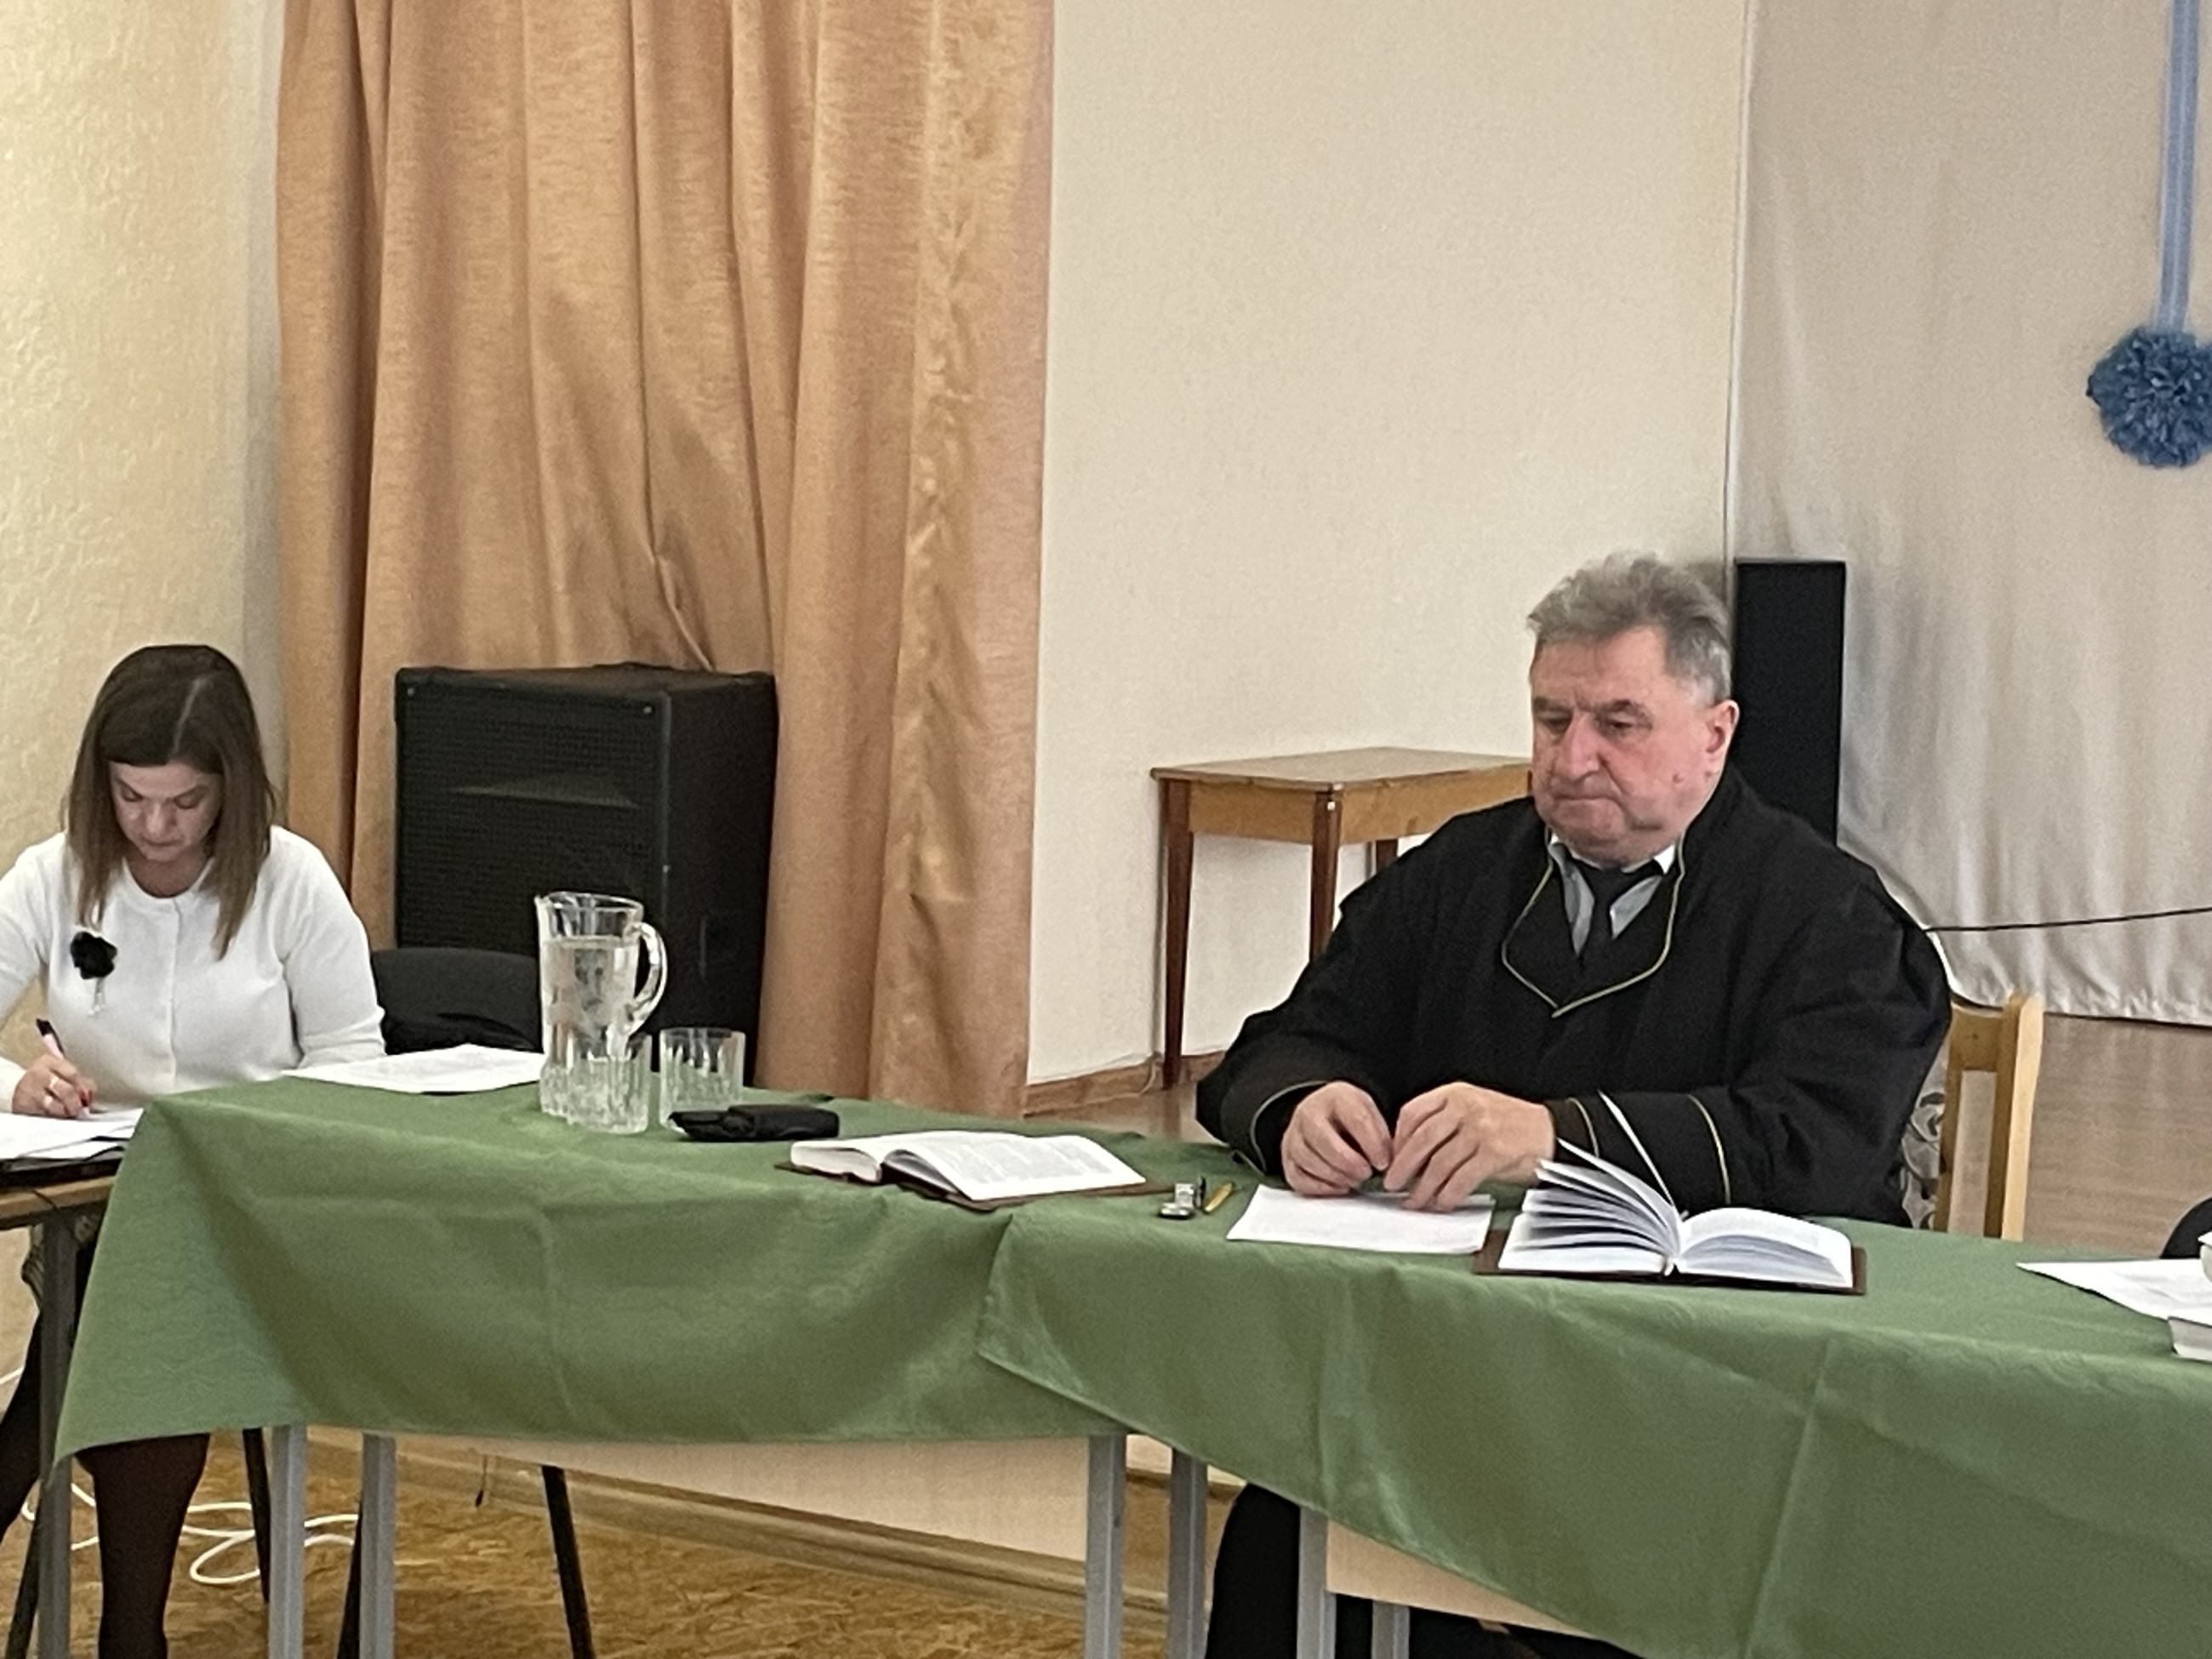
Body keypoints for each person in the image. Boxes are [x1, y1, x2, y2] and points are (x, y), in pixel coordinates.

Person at [1196, 554, 1950, 1659]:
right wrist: (1306, 1102)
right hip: (1452, 1362)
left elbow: (1818, 1140)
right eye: (1551, 718)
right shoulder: (1460, 872)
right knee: (1289, 1528)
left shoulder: (1824, 912)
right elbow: (1288, 1041)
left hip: (1704, 1383)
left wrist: (1555, 1137)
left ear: (1715, 733)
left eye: (1617, 722)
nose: (1572, 755)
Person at [0, 644, 383, 1659]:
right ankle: (133, 1639)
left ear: (232, 790)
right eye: (131, 797)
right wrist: (17, 1085)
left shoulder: (291, 883)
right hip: (107, 1204)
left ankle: (43, 1488)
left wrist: (260, 1131)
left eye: (185, 802)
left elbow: (355, 1062)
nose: (155, 827)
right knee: (138, 1297)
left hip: (260, 1211)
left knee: (129, 1311)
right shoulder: (52, 877)